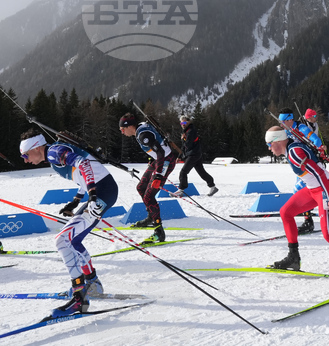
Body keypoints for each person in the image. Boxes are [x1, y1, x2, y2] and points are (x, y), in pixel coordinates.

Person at [21, 129, 118, 317]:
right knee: (73, 240)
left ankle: (79, 297)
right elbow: (82, 174)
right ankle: (92, 283)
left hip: (102, 192)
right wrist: (76, 200)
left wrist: (93, 195)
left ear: (35, 147)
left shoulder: (52, 152)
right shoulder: (53, 155)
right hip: (105, 190)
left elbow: (83, 164)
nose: (25, 160)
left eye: (25, 155)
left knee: (62, 240)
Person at [264, 126, 329, 290]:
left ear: (278, 140)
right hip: (313, 190)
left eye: (270, 144)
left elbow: (320, 173)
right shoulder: (290, 148)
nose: (269, 148)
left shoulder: (294, 153)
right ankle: (293, 257)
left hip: (326, 190)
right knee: (286, 212)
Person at [119, 113, 176, 243]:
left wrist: (158, 174)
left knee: (149, 196)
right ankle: (151, 217)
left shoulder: (142, 135)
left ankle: (159, 231)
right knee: (141, 187)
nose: (122, 132)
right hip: (159, 160)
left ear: (129, 127)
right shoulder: (141, 129)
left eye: (122, 129)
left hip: (164, 161)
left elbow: (160, 152)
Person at [172, 114, 218, 198]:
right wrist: (179, 156)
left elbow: (187, 145)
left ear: (189, 122)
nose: (183, 124)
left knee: (183, 172)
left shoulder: (191, 131)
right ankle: (213, 187)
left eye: (185, 122)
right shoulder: (186, 131)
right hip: (196, 154)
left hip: (193, 154)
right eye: (181, 123)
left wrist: (182, 140)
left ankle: (181, 190)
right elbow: (184, 147)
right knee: (202, 172)